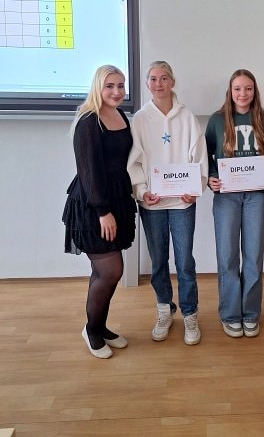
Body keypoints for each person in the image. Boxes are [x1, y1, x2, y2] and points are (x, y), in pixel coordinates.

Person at [127, 61, 207, 346]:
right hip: (153, 204)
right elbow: (133, 161)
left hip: (182, 204)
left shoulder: (187, 117)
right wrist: (142, 191)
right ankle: (164, 309)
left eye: (163, 78)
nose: (158, 84)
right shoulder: (139, 119)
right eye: (153, 79)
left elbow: (199, 156)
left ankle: (190, 313)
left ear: (172, 82)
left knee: (185, 261)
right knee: (159, 260)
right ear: (147, 83)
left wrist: (194, 189)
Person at [62, 65, 137, 359]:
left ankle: (101, 326)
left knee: (105, 272)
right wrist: (103, 212)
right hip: (94, 205)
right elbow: (89, 171)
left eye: (121, 85)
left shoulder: (120, 116)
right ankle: (91, 330)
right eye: (110, 86)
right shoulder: (88, 121)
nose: (117, 92)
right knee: (111, 270)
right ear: (98, 87)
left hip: (117, 199)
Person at [206, 69, 264, 338]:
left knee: (253, 256)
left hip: (256, 196)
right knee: (227, 256)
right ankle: (229, 314)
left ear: (254, 91)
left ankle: (250, 313)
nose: (243, 93)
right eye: (237, 88)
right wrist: (211, 178)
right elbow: (206, 156)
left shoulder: (263, 118)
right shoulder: (217, 120)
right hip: (226, 196)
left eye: (248, 88)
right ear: (230, 91)